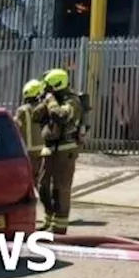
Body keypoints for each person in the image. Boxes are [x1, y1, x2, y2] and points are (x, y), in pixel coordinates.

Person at [35, 67, 82, 234]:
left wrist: (50, 101)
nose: (46, 90)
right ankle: (48, 219)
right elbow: (36, 116)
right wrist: (42, 101)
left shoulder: (72, 101)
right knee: (43, 186)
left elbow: (61, 116)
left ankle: (59, 227)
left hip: (65, 149)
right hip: (49, 148)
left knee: (60, 188)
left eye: (48, 86)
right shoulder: (51, 100)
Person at [14, 79, 46, 183]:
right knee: (39, 178)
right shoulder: (44, 108)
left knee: (29, 179)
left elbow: (15, 126)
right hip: (43, 149)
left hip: (28, 150)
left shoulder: (22, 110)